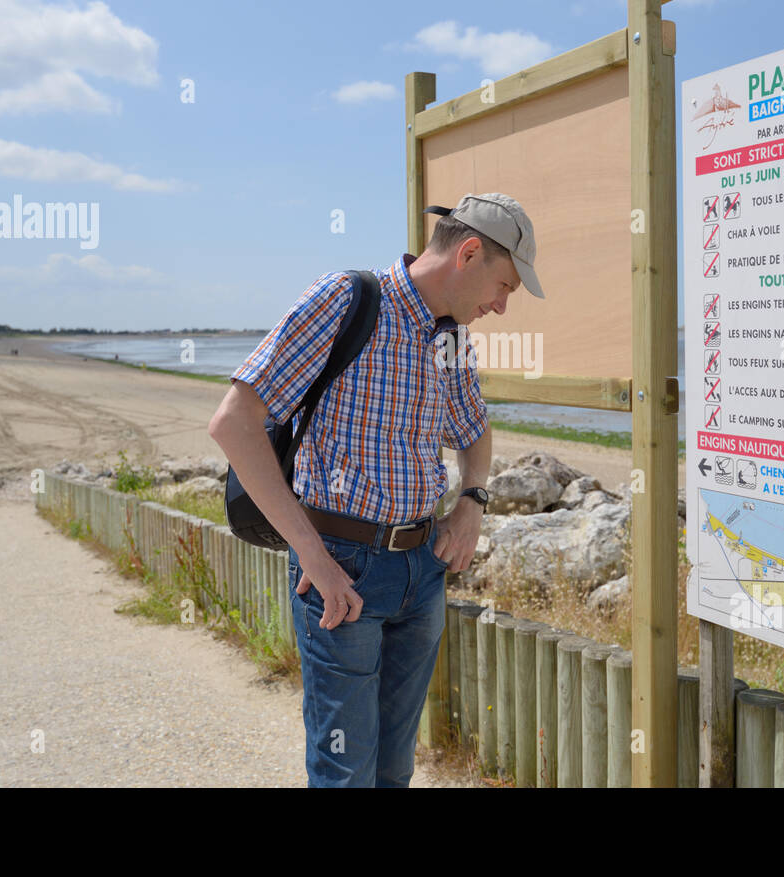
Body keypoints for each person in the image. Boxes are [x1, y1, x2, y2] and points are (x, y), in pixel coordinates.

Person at [207, 192, 543, 787]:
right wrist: (311, 555)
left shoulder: (451, 337)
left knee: (393, 767)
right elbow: (233, 423)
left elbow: (474, 428)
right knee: (345, 771)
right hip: (340, 572)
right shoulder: (347, 299)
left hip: (422, 570)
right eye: (506, 286)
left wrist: (472, 500)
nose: (502, 306)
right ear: (469, 253)